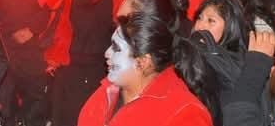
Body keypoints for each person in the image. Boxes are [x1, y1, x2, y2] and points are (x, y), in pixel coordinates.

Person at [77, 13, 214, 126]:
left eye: (116, 48)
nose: (107, 53)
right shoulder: (108, 90)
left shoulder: (185, 113)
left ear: (143, 62)